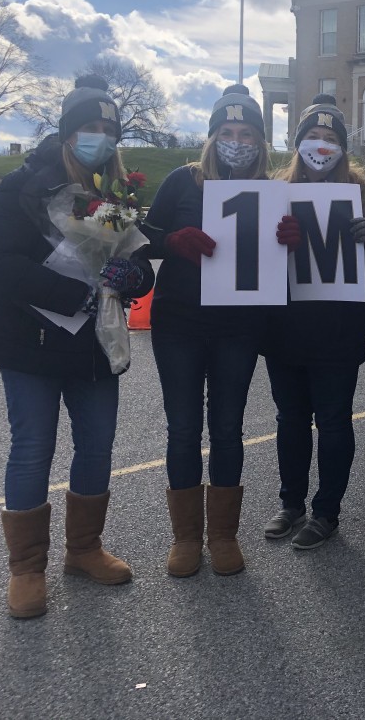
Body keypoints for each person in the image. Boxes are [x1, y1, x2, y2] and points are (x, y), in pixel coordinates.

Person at [0, 74, 153, 619]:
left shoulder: (115, 195)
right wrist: (76, 294)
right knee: (32, 447)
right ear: (68, 132)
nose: (101, 138)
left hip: (93, 341)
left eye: (108, 130)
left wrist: (131, 276)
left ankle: (84, 550)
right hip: (30, 336)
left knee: (97, 446)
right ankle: (26, 569)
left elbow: (138, 266)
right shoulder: (25, 186)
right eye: (89, 128)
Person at [141, 84, 270, 578]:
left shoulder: (269, 189)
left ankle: (223, 535)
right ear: (212, 136)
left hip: (238, 326)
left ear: (259, 141)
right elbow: (144, 238)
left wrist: (291, 239)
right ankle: (186, 537)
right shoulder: (182, 180)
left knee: (228, 427)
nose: (237, 140)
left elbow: (283, 262)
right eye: (228, 132)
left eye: (246, 133)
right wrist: (171, 240)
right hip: (180, 323)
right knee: (182, 428)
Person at [261, 95, 365, 549]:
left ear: (342, 147)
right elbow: (252, 264)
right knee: (290, 418)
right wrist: (275, 242)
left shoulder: (362, 193)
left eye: (330, 138)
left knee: (333, 421)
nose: (321, 145)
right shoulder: (275, 192)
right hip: (286, 326)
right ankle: (290, 503)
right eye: (313, 136)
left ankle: (326, 512)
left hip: (337, 328)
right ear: (298, 144)